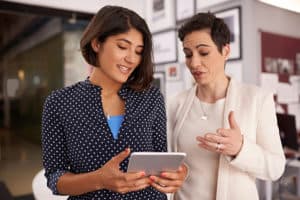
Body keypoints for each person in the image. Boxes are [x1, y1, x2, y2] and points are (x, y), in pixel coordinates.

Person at [41, 5, 186, 200]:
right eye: (122, 46)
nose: (131, 58)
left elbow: (160, 163)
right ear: (97, 43)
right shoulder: (59, 103)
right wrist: (99, 179)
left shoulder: (151, 98)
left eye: (138, 51)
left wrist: (174, 176)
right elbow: (55, 177)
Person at [167, 12, 286, 200]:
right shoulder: (175, 103)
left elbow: (276, 168)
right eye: (188, 54)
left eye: (204, 52)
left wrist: (241, 148)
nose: (194, 63)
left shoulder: (256, 99)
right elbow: (169, 166)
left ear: (226, 51)